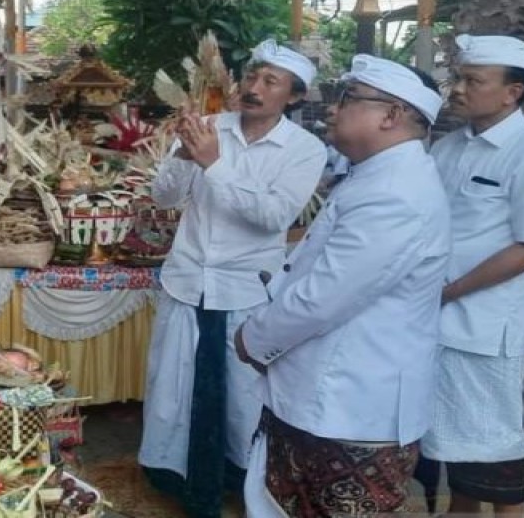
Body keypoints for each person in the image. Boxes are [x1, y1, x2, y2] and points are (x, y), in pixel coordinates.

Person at [236, 55, 450, 517]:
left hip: (350, 404)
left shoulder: (397, 193)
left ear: (391, 116)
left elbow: (322, 298)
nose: (333, 109)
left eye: (349, 99)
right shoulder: (380, 176)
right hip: (327, 395)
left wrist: (253, 338)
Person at [139, 38, 326, 518]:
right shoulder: (211, 128)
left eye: (271, 82)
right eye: (251, 77)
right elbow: (163, 197)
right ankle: (179, 479)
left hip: (245, 289)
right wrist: (184, 154)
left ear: (295, 96)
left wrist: (214, 164)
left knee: (242, 398)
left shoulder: (304, 149)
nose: (255, 88)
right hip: (187, 282)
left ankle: (241, 481)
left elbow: (273, 215)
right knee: (175, 389)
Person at [417, 35, 524, 516]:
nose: (459, 89)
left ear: (513, 93)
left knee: (495, 442)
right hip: (437, 316)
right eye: (459, 78)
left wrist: (449, 292)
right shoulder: (448, 147)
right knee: (455, 441)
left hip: (484, 326)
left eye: (473, 81)